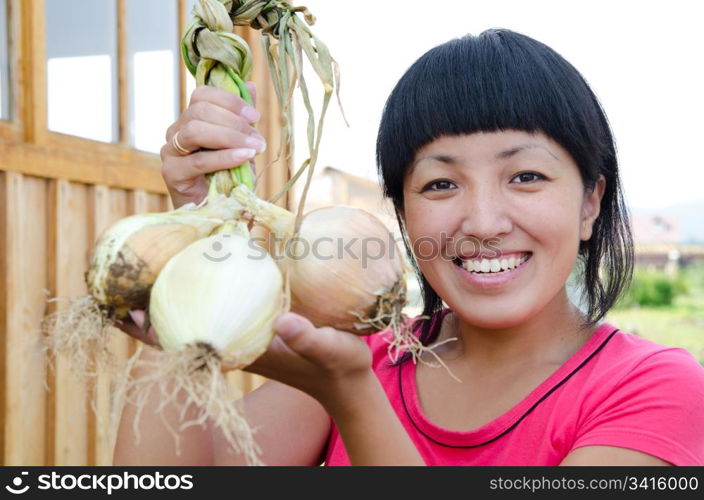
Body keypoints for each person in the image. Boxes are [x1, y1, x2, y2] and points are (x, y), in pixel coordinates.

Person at [113, 29, 704, 466]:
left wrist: (353, 401)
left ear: (590, 203)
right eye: (440, 183)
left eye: (526, 176)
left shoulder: (655, 389)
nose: (483, 221)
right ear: (402, 210)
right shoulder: (368, 357)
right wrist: (190, 239)